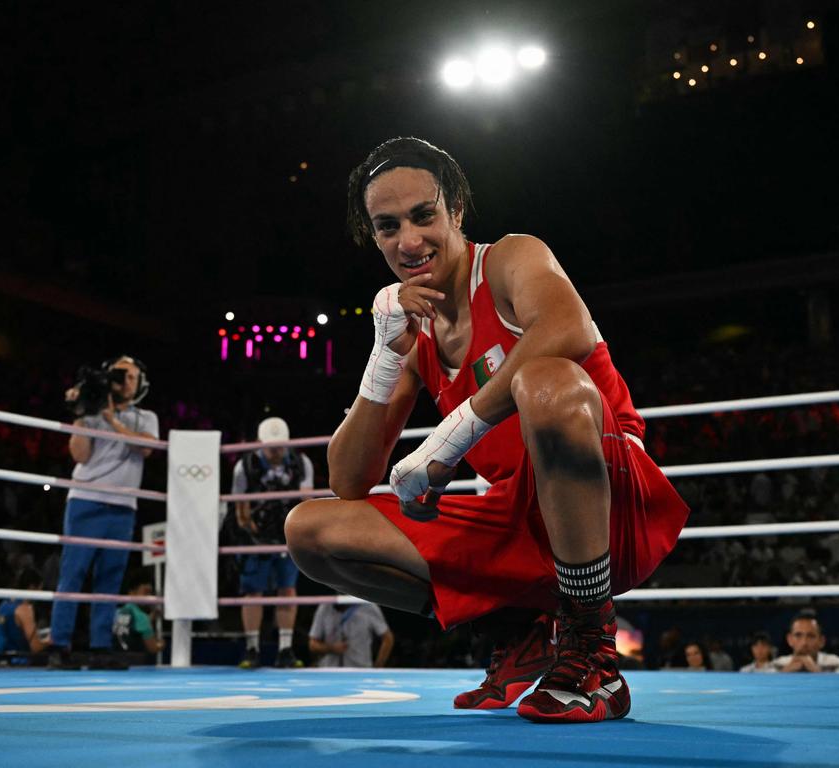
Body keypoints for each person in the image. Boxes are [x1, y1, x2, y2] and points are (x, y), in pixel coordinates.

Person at [285, 136, 689, 722]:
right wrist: (383, 356)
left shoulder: (508, 259)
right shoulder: (413, 330)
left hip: (611, 499)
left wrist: (449, 438)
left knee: (547, 381)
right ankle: (514, 625)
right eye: (388, 226)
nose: (410, 241)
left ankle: (591, 650)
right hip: (518, 522)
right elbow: (349, 481)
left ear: (455, 211)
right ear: (372, 237)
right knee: (310, 531)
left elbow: (568, 327)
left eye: (424, 216)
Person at [48, 355, 159, 668]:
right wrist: (83, 413)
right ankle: (60, 645)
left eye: (131, 376)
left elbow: (147, 448)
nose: (125, 381)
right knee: (73, 574)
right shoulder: (91, 413)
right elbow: (80, 456)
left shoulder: (146, 417)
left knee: (110, 579)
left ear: (140, 384)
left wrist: (112, 419)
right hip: (85, 499)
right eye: (120, 374)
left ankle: (100, 647)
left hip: (123, 506)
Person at [232, 416, 313, 669]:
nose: (277, 451)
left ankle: (285, 649)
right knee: (253, 592)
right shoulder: (245, 465)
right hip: (256, 534)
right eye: (271, 447)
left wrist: (299, 532)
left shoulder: (301, 463)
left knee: (287, 590)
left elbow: (305, 500)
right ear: (260, 443)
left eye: (280, 446)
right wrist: (249, 528)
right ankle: (252, 649)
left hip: (288, 532)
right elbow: (239, 503)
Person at [308, 601, 394, 668]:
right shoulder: (325, 607)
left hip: (360, 671)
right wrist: (331, 648)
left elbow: (387, 639)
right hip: (329, 672)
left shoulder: (369, 606)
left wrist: (377, 668)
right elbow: (313, 645)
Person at [0, 567, 49, 655]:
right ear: (32, 587)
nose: (41, 593)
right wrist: (53, 638)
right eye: (40, 589)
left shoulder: (3, 604)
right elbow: (36, 647)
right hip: (19, 664)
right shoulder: (24, 610)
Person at [774, 613, 839, 673]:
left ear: (822, 641)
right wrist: (784, 673)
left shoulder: (838, 665)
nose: (804, 643)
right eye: (798, 635)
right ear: (789, 639)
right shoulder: (776, 666)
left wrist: (816, 671)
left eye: (811, 636)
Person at [112, 572, 164, 658]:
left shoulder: (116, 612)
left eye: (150, 593)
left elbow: (130, 627)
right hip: (134, 663)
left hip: (114, 661)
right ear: (132, 592)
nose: (149, 597)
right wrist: (161, 644)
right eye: (145, 592)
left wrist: (150, 618)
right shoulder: (141, 617)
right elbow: (153, 648)